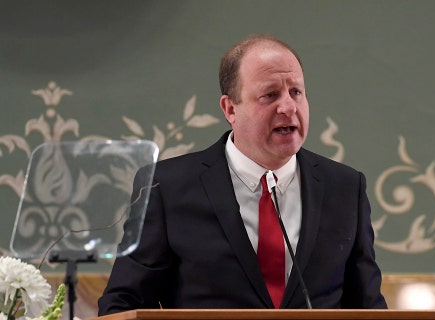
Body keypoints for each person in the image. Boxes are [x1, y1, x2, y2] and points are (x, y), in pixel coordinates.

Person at [98, 35, 387, 314]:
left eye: (296, 92)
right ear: (230, 109)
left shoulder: (345, 188)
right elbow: (123, 304)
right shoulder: (165, 187)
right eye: (270, 95)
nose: (288, 107)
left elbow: (368, 306)